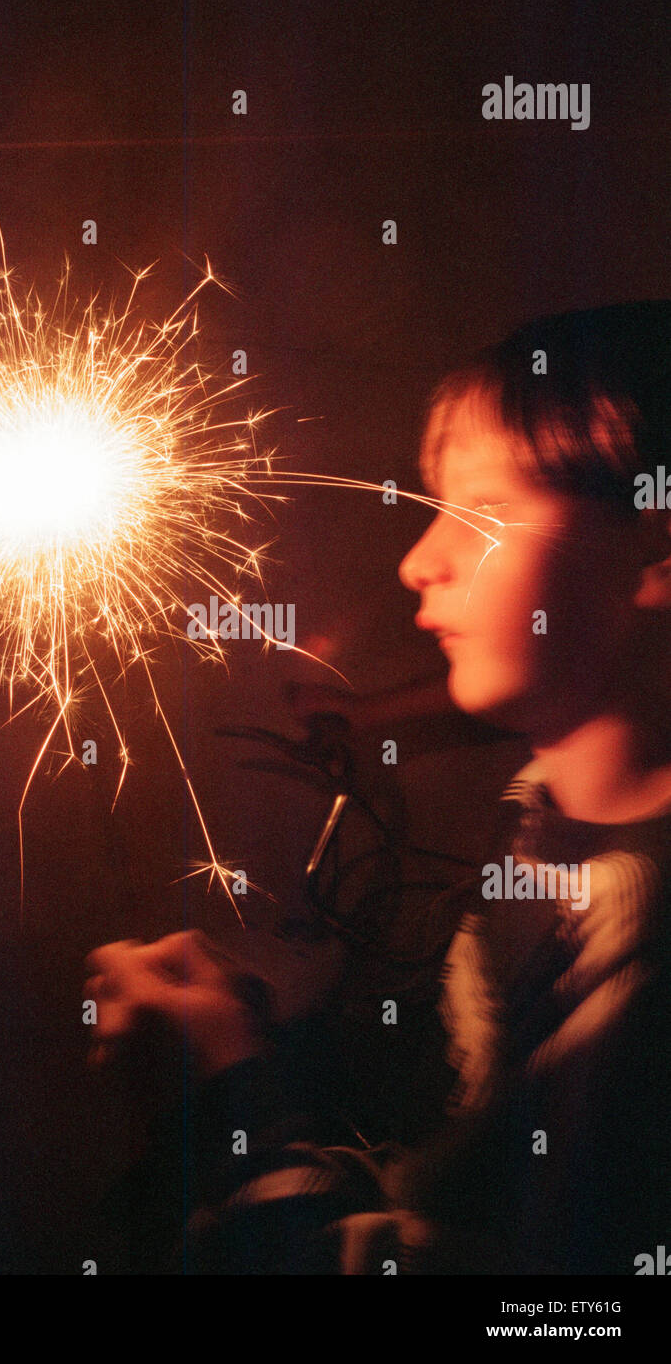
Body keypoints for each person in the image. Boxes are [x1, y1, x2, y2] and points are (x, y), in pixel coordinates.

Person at [84, 302, 671, 1274]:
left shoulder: (633, 957)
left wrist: (224, 1099)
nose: (417, 561)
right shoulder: (557, 794)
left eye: (482, 513)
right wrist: (373, 714)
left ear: (654, 549)